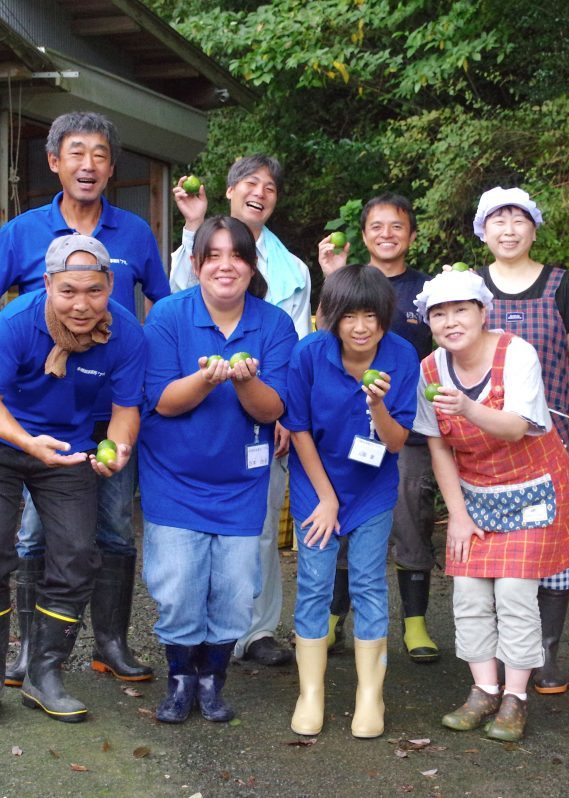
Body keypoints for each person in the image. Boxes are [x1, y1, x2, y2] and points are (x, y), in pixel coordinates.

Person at [0, 112, 168, 688]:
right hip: (34, 413)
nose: (89, 164)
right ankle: (30, 652)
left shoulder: (134, 233)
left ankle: (110, 644)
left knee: (110, 531)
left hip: (106, 412)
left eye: (100, 154)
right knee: (30, 534)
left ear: (111, 166)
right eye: (76, 153)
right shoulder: (25, 231)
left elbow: (165, 304)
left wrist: (139, 379)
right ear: (55, 161)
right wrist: (11, 363)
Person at [0, 234, 145, 726]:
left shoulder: (125, 333)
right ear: (47, 285)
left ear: (110, 285)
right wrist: (26, 441)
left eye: (93, 291)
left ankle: (44, 674)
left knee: (79, 554)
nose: (81, 305)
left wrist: (119, 448)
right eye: (68, 292)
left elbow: (125, 411)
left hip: (67, 447)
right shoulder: (15, 323)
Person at [139, 216, 298, 723]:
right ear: (197, 264)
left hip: (241, 484)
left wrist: (245, 382)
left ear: (252, 267)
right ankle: (180, 680)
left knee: (233, 589)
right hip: (173, 479)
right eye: (214, 256)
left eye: (238, 256)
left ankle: (213, 682)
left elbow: (273, 409)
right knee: (180, 587)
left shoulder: (274, 324)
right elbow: (163, 401)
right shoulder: (167, 316)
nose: (226, 266)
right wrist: (208, 380)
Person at [412, 268, 569, 742]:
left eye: (461, 309)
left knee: (514, 595)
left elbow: (515, 427)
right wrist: (457, 516)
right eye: (439, 314)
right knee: (468, 594)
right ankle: (483, 689)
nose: (451, 321)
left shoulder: (515, 353)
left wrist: (465, 407)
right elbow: (439, 445)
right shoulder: (430, 369)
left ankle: (515, 697)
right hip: (476, 492)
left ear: (483, 313)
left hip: (532, 487)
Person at [169, 155, 312, 667]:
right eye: (250, 183)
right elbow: (181, 312)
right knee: (196, 532)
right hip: (201, 410)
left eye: (269, 186)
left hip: (264, 411)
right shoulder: (190, 251)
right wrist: (192, 224)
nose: (259, 192)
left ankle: (257, 630)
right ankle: (206, 631)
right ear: (230, 191)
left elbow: (297, 346)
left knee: (261, 522)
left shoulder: (294, 269)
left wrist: (284, 416)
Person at [471, 187, 569, 695]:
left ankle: (545, 653)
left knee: (550, 542)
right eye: (497, 220)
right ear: (483, 230)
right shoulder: (471, 286)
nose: (508, 229)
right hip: (483, 438)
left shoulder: (562, 286)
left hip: (553, 436)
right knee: (493, 546)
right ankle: (499, 653)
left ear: (534, 228)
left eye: (518, 219)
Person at [285, 265, 419, 739]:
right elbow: (297, 427)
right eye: (350, 317)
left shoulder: (402, 356)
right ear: (332, 318)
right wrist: (325, 498)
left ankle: (370, 695)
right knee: (315, 583)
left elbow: (397, 441)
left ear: (386, 316)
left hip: (371, 488)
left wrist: (376, 403)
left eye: (371, 316)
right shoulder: (309, 354)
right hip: (315, 485)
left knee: (367, 583)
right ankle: (311, 693)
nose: (361, 327)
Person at [316, 193, 440, 663]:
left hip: (406, 424)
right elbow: (326, 340)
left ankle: (415, 622)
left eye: (397, 226)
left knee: (411, 509)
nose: (387, 234)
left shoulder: (429, 289)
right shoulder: (344, 282)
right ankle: (332, 618)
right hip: (346, 426)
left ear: (411, 234)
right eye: (377, 226)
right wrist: (331, 278)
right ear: (363, 232)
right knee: (347, 512)